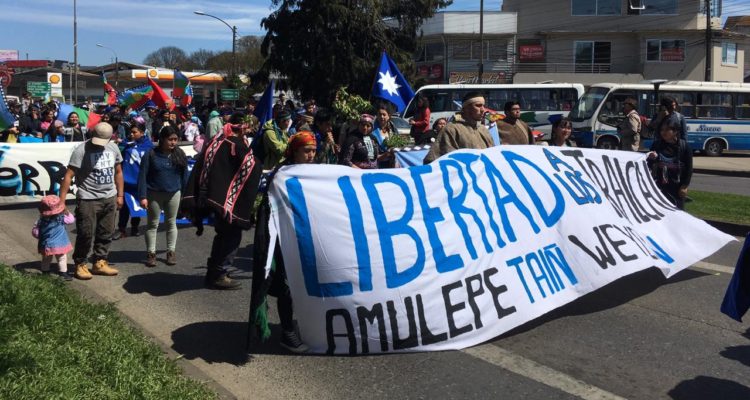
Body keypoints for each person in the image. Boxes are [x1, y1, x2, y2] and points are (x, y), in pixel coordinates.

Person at [249, 131, 317, 353]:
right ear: (294, 151)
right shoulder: (281, 176)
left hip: (306, 239)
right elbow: (272, 209)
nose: (311, 155)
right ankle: (287, 331)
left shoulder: (316, 174)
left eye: (313, 151)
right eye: (306, 151)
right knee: (286, 286)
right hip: (283, 240)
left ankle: (306, 324)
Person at [182, 112, 262, 290]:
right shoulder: (234, 145)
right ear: (242, 127)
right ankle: (218, 273)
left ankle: (215, 271)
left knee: (223, 236)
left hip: (218, 197)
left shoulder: (218, 141)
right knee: (230, 236)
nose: (248, 133)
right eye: (248, 129)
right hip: (227, 202)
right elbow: (250, 166)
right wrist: (259, 164)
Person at [58, 122, 123, 280]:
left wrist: (120, 195)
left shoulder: (113, 148)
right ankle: (80, 264)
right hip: (88, 198)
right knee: (85, 233)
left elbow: (118, 172)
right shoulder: (81, 150)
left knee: (106, 232)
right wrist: (62, 201)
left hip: (110, 196)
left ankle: (100, 261)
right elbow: (68, 176)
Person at [138, 126, 189, 267]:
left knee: (171, 223)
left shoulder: (180, 154)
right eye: (170, 139)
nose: (173, 142)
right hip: (153, 194)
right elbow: (142, 176)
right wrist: (143, 196)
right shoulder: (150, 154)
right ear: (162, 139)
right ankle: (151, 254)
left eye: (175, 139)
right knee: (152, 224)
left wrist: (186, 196)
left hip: (174, 194)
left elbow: (185, 177)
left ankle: (171, 252)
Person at [423, 91, 494, 164]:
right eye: (478, 105)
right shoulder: (451, 129)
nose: (483, 110)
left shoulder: (484, 130)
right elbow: (432, 160)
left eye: (483, 106)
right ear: (466, 108)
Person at [113, 122, 153, 240]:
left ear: (142, 132)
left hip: (141, 182)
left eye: (135, 132)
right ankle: (121, 229)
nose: (132, 134)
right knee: (124, 207)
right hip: (126, 182)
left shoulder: (149, 146)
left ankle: (135, 227)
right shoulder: (126, 145)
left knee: (137, 206)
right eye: (131, 132)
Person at [647, 121, 693, 210]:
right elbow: (649, 164)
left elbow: (689, 169)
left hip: (677, 187)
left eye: (667, 130)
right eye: (661, 130)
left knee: (678, 213)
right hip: (659, 186)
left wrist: (684, 186)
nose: (663, 132)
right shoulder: (656, 145)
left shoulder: (685, 147)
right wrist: (651, 158)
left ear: (675, 131)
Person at [32, 195, 75, 281]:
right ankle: (63, 273)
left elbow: (35, 233)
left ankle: (45, 272)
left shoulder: (40, 221)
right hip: (60, 244)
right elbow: (71, 220)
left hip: (47, 244)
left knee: (46, 259)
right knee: (62, 258)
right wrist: (66, 212)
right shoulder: (61, 218)